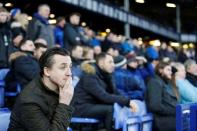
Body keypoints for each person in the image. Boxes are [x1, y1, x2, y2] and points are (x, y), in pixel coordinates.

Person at [8, 47, 74, 131]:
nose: (69, 73)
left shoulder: (61, 89)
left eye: (70, 67)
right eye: (63, 67)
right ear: (47, 71)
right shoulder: (29, 101)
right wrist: (64, 104)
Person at [72, 53, 138, 131]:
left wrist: (128, 100)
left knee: (116, 107)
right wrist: (127, 101)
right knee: (110, 109)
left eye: (113, 62)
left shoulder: (105, 75)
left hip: (92, 105)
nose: (113, 65)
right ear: (101, 63)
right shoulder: (90, 75)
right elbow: (104, 96)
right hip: (80, 108)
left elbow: (115, 92)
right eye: (110, 62)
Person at [146, 61, 178, 131]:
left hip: (169, 119)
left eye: (171, 70)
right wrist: (174, 110)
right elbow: (155, 106)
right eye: (168, 70)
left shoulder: (161, 82)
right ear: (160, 70)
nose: (171, 72)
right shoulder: (154, 82)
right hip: (163, 122)